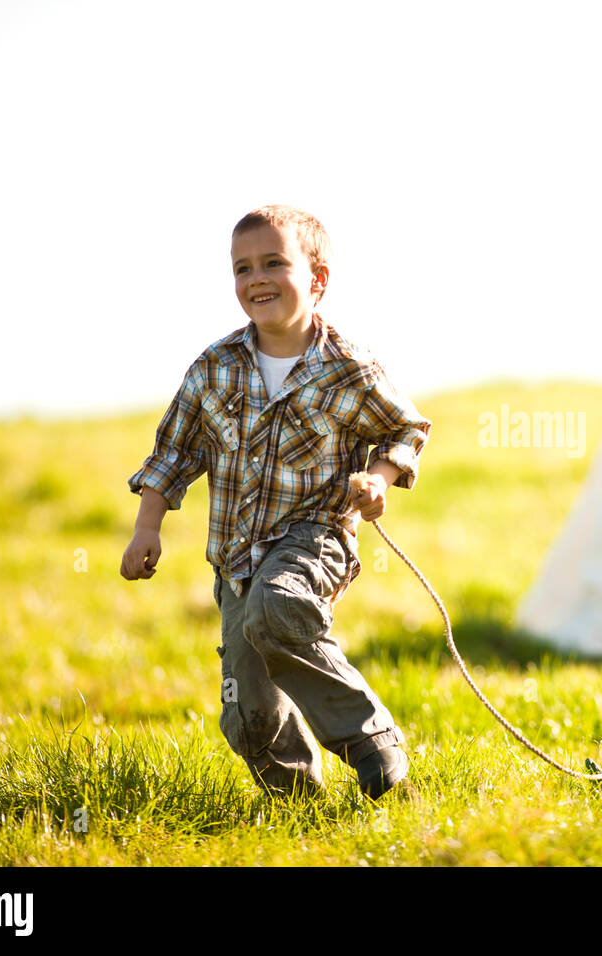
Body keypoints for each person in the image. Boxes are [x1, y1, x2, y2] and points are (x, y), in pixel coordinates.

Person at [120, 204, 431, 800]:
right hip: (235, 559)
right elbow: (172, 454)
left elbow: (405, 429)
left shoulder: (349, 368)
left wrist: (380, 478)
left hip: (314, 537)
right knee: (247, 712)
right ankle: (301, 804)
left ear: (317, 280)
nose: (255, 278)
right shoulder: (215, 369)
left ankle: (372, 743)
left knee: (279, 607)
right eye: (242, 268)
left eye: (273, 263)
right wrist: (146, 529)